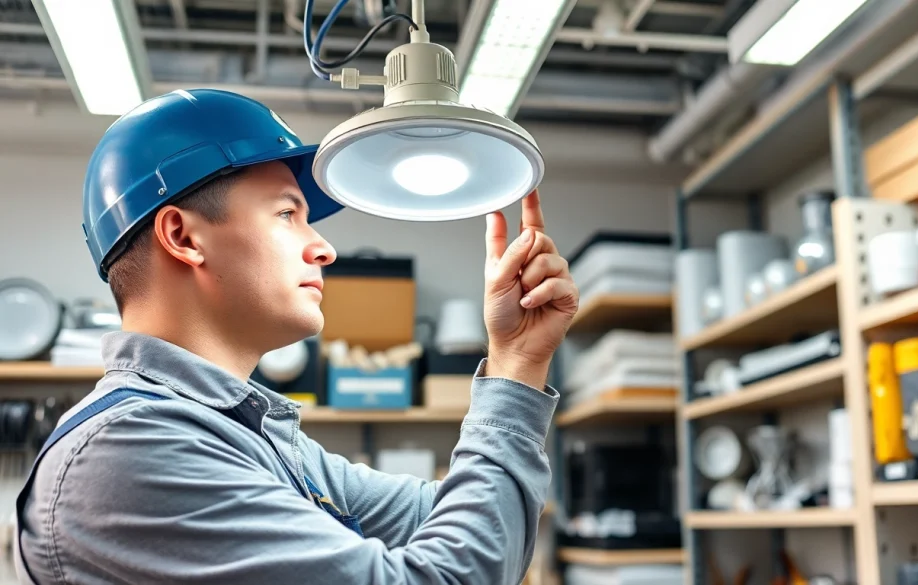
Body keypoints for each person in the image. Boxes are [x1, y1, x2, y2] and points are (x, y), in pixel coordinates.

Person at [14, 89, 579, 585]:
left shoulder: (245, 436)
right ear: (183, 235)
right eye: (288, 214)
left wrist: (518, 355)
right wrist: (512, 373)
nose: (324, 248)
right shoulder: (129, 451)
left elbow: (470, 527)